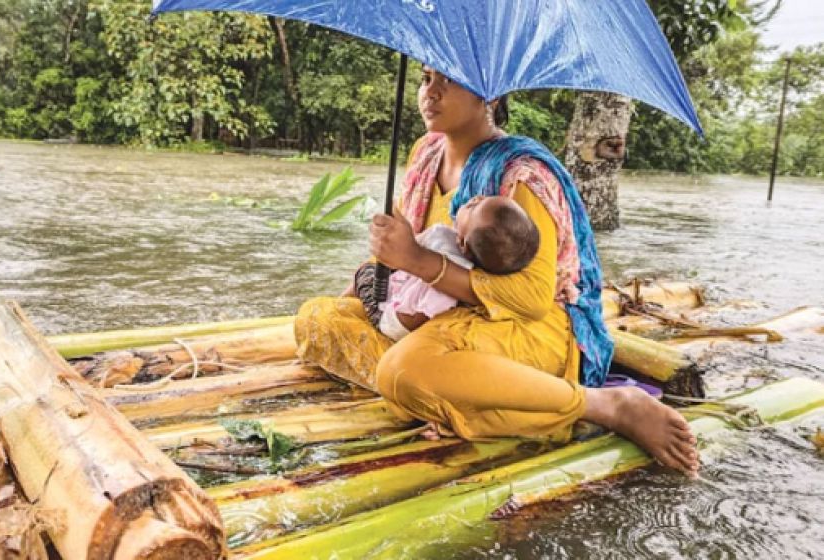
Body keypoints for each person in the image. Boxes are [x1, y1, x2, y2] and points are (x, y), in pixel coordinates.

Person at [294, 67, 700, 476]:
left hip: (523, 329)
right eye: (425, 79)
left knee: (403, 371)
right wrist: (363, 287)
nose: (429, 94)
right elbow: (400, 256)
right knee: (317, 318)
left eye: (448, 81)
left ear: (489, 96)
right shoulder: (425, 154)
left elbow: (531, 299)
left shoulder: (521, 175)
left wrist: (418, 262)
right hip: (438, 317)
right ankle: (459, 396)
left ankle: (600, 404)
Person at [355, 195, 540, 341]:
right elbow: (407, 247)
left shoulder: (453, 280)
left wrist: (387, 318)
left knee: (364, 273)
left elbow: (414, 320)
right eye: (484, 198)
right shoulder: (445, 236)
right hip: (399, 287)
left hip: (392, 319)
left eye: (473, 207)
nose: (477, 198)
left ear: (463, 244)